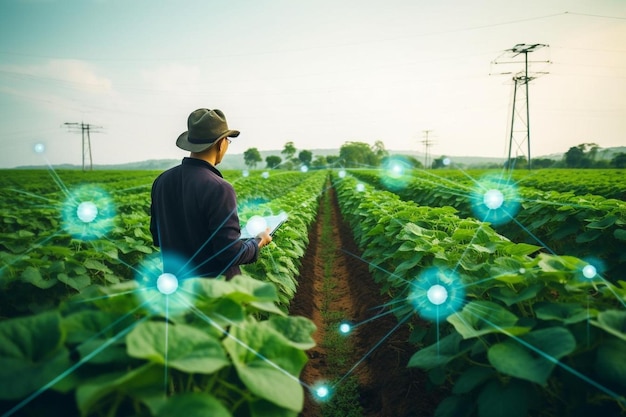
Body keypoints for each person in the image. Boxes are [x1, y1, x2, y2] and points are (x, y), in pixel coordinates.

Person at [150, 108, 272, 280]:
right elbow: (230, 254)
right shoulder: (219, 188)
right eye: (228, 141)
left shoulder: (161, 181)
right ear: (221, 143)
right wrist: (258, 241)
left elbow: (158, 237)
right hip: (214, 292)